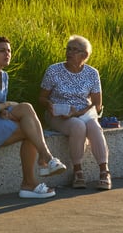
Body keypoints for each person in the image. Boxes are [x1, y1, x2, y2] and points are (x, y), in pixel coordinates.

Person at [0, 36, 67, 199]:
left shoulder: (4, 76)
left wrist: (4, 110)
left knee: (27, 117)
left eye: (9, 51)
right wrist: (7, 105)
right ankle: (43, 162)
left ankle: (32, 180)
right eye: (2, 50)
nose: (7, 54)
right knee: (26, 114)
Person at [39, 35, 111, 191]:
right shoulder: (54, 70)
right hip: (58, 115)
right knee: (78, 126)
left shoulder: (92, 73)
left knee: (93, 125)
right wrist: (50, 105)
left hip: (83, 113)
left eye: (74, 50)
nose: (69, 53)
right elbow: (41, 98)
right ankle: (78, 171)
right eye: (68, 49)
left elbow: (97, 105)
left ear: (84, 55)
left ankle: (104, 171)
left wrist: (78, 113)